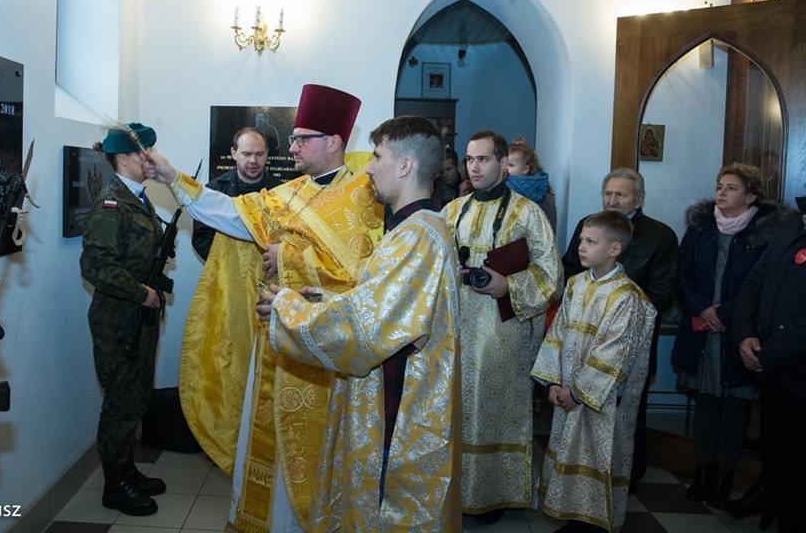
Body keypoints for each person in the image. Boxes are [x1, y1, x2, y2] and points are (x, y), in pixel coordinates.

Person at [148, 84, 383, 532]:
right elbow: (230, 213)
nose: (291, 147)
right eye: (293, 138)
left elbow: (362, 280)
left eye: (302, 139)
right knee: (268, 445)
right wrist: (173, 177)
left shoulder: (363, 200)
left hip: (326, 358)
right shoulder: (289, 192)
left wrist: (288, 258)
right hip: (276, 340)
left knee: (316, 455)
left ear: (334, 142)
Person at [256, 116, 462, 531]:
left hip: (395, 411)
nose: (368, 168)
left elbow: (367, 330)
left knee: (383, 510)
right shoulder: (416, 228)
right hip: (390, 391)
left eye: (378, 156)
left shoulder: (417, 237)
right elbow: (382, 307)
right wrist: (320, 301)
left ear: (405, 165)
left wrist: (289, 308)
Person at [440, 130, 562, 522]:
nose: (474, 167)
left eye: (484, 159)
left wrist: (508, 285)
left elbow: (552, 277)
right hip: (455, 330)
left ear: (503, 164)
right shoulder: (451, 211)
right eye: (469, 159)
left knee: (492, 413)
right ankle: (453, 494)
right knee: (452, 411)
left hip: (502, 333)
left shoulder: (528, 213)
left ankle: (492, 494)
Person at [671, 164, 791, 510]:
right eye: (720, 186)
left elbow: (762, 284)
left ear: (751, 196)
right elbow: (683, 273)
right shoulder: (701, 227)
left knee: (735, 409)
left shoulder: (767, 233)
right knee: (706, 404)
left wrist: (727, 314)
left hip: (740, 333)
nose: (721, 193)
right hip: (702, 331)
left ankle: (725, 477)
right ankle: (703, 472)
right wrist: (701, 307)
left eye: (732, 188)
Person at [532, 211, 657, 533]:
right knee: (568, 454)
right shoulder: (575, 284)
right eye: (581, 240)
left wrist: (578, 393)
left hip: (601, 403)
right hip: (567, 394)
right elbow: (557, 333)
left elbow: (614, 354)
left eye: (591, 241)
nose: (581, 247)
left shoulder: (627, 297)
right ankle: (575, 518)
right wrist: (553, 382)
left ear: (615, 248)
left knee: (597, 458)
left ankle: (595, 524)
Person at [561, 167, 677, 487]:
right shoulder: (588, 225)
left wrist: (619, 313)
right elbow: (570, 270)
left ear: (638, 199)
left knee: (625, 415)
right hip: (584, 336)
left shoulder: (661, 235)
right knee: (579, 413)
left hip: (628, 341)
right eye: (608, 193)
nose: (612, 200)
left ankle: (623, 480)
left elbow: (662, 292)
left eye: (620, 195)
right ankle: (579, 484)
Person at [80, 122, 168, 516]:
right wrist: (140, 293)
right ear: (125, 158)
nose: (152, 159)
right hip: (118, 321)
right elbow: (96, 265)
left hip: (139, 319)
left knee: (136, 399)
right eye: (146, 152)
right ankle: (114, 485)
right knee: (120, 403)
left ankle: (127, 471)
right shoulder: (111, 203)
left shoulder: (139, 200)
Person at [731, 198, 806, 533]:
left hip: (797, 372)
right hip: (774, 374)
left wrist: (768, 353)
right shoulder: (789, 227)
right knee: (776, 453)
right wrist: (745, 334)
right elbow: (752, 283)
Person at [192, 127, 276, 260]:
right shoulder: (214, 190)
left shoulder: (281, 192)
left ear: (267, 153)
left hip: (268, 269)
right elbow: (202, 239)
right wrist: (230, 264)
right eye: (246, 154)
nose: (253, 160)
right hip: (226, 269)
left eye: (259, 154)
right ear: (234, 153)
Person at [506, 136, 557, 234]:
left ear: (525, 169)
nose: (505, 168)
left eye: (510, 165)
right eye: (504, 164)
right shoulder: (543, 188)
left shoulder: (507, 186)